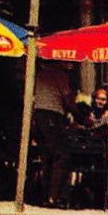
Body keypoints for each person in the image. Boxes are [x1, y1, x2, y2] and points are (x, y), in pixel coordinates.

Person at [32, 60, 73, 206]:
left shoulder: (40, 75)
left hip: (38, 116)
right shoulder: (60, 75)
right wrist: (80, 115)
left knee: (47, 157)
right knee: (61, 155)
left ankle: (45, 195)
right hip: (52, 116)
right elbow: (68, 100)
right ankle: (54, 196)